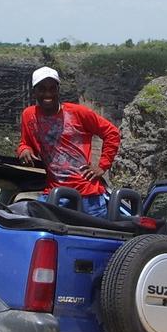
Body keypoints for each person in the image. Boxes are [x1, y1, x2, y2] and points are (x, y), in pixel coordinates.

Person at [17, 66, 120, 218]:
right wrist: (24, 150)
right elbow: (25, 143)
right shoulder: (29, 115)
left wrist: (102, 166)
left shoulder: (78, 112)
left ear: (58, 90)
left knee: (94, 238)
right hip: (55, 192)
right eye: (42, 89)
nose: (48, 94)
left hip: (87, 194)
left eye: (52, 88)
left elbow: (112, 133)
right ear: (34, 91)